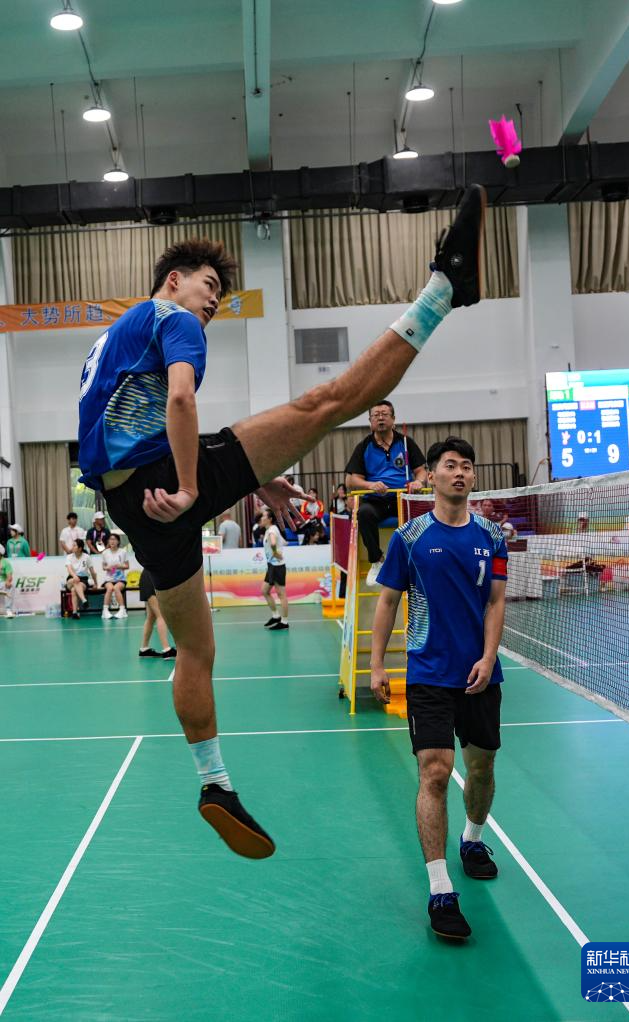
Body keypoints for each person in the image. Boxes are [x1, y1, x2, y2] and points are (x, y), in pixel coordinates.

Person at [77, 185, 486, 860]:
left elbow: (151, 423)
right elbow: (180, 400)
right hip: (167, 484)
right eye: (209, 286)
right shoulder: (173, 318)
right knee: (327, 402)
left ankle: (215, 783)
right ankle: (446, 288)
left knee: (196, 651)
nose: (213, 301)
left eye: (219, 294)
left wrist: (252, 478)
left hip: (132, 508)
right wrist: (192, 486)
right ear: (173, 280)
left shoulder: (110, 340)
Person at [370, 436, 507, 941]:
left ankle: (472, 839)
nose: (460, 473)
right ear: (430, 476)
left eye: (467, 466)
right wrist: (377, 664)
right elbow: (387, 602)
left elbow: (496, 601)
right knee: (435, 772)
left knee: (482, 768)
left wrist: (489, 657)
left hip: (479, 675)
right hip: (427, 673)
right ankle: (440, 889)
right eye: (450, 465)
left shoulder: (492, 536)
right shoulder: (409, 537)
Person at [345, 400, 427, 585]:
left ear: (393, 419)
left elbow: (421, 471)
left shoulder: (406, 442)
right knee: (364, 513)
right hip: (376, 501)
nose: (380, 418)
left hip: (403, 498)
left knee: (424, 516)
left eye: (384, 414)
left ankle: (418, 560)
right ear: (370, 421)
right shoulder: (364, 446)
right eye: (376, 415)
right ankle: (376, 561)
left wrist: (419, 481)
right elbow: (351, 480)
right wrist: (370, 485)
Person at [260, 508, 289, 630]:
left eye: (264, 516)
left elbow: (273, 543)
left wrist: (276, 552)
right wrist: (279, 548)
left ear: (270, 519)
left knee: (281, 594)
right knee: (265, 590)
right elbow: (285, 542)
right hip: (272, 566)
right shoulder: (272, 529)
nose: (262, 518)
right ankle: (276, 615)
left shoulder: (272, 530)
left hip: (277, 567)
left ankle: (284, 622)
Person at [138, 568, 176, 658]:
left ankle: (144, 649)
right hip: (151, 578)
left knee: (151, 617)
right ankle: (167, 649)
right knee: (161, 615)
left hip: (148, 577)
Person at [65, 538, 98, 618]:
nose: (72, 547)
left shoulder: (87, 557)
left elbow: (92, 572)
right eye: (72, 545)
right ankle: (84, 600)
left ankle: (75, 613)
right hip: (71, 578)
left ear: (80, 548)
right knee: (75, 581)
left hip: (83, 580)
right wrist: (74, 576)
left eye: (74, 545)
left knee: (74, 590)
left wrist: (95, 583)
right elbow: (69, 569)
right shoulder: (69, 557)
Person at [101, 533, 129, 619]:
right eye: (110, 539)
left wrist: (119, 566)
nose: (112, 541)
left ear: (118, 541)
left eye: (114, 539)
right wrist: (108, 567)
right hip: (109, 578)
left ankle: (122, 610)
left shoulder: (123, 552)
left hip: (121, 579)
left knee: (116, 588)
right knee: (110, 588)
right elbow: (103, 567)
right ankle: (105, 611)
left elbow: (127, 566)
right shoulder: (105, 553)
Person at [0, 544, 14, 618]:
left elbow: (9, 575)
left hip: (2, 583)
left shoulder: (5, 562)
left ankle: (8, 610)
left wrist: (8, 581)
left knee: (10, 586)